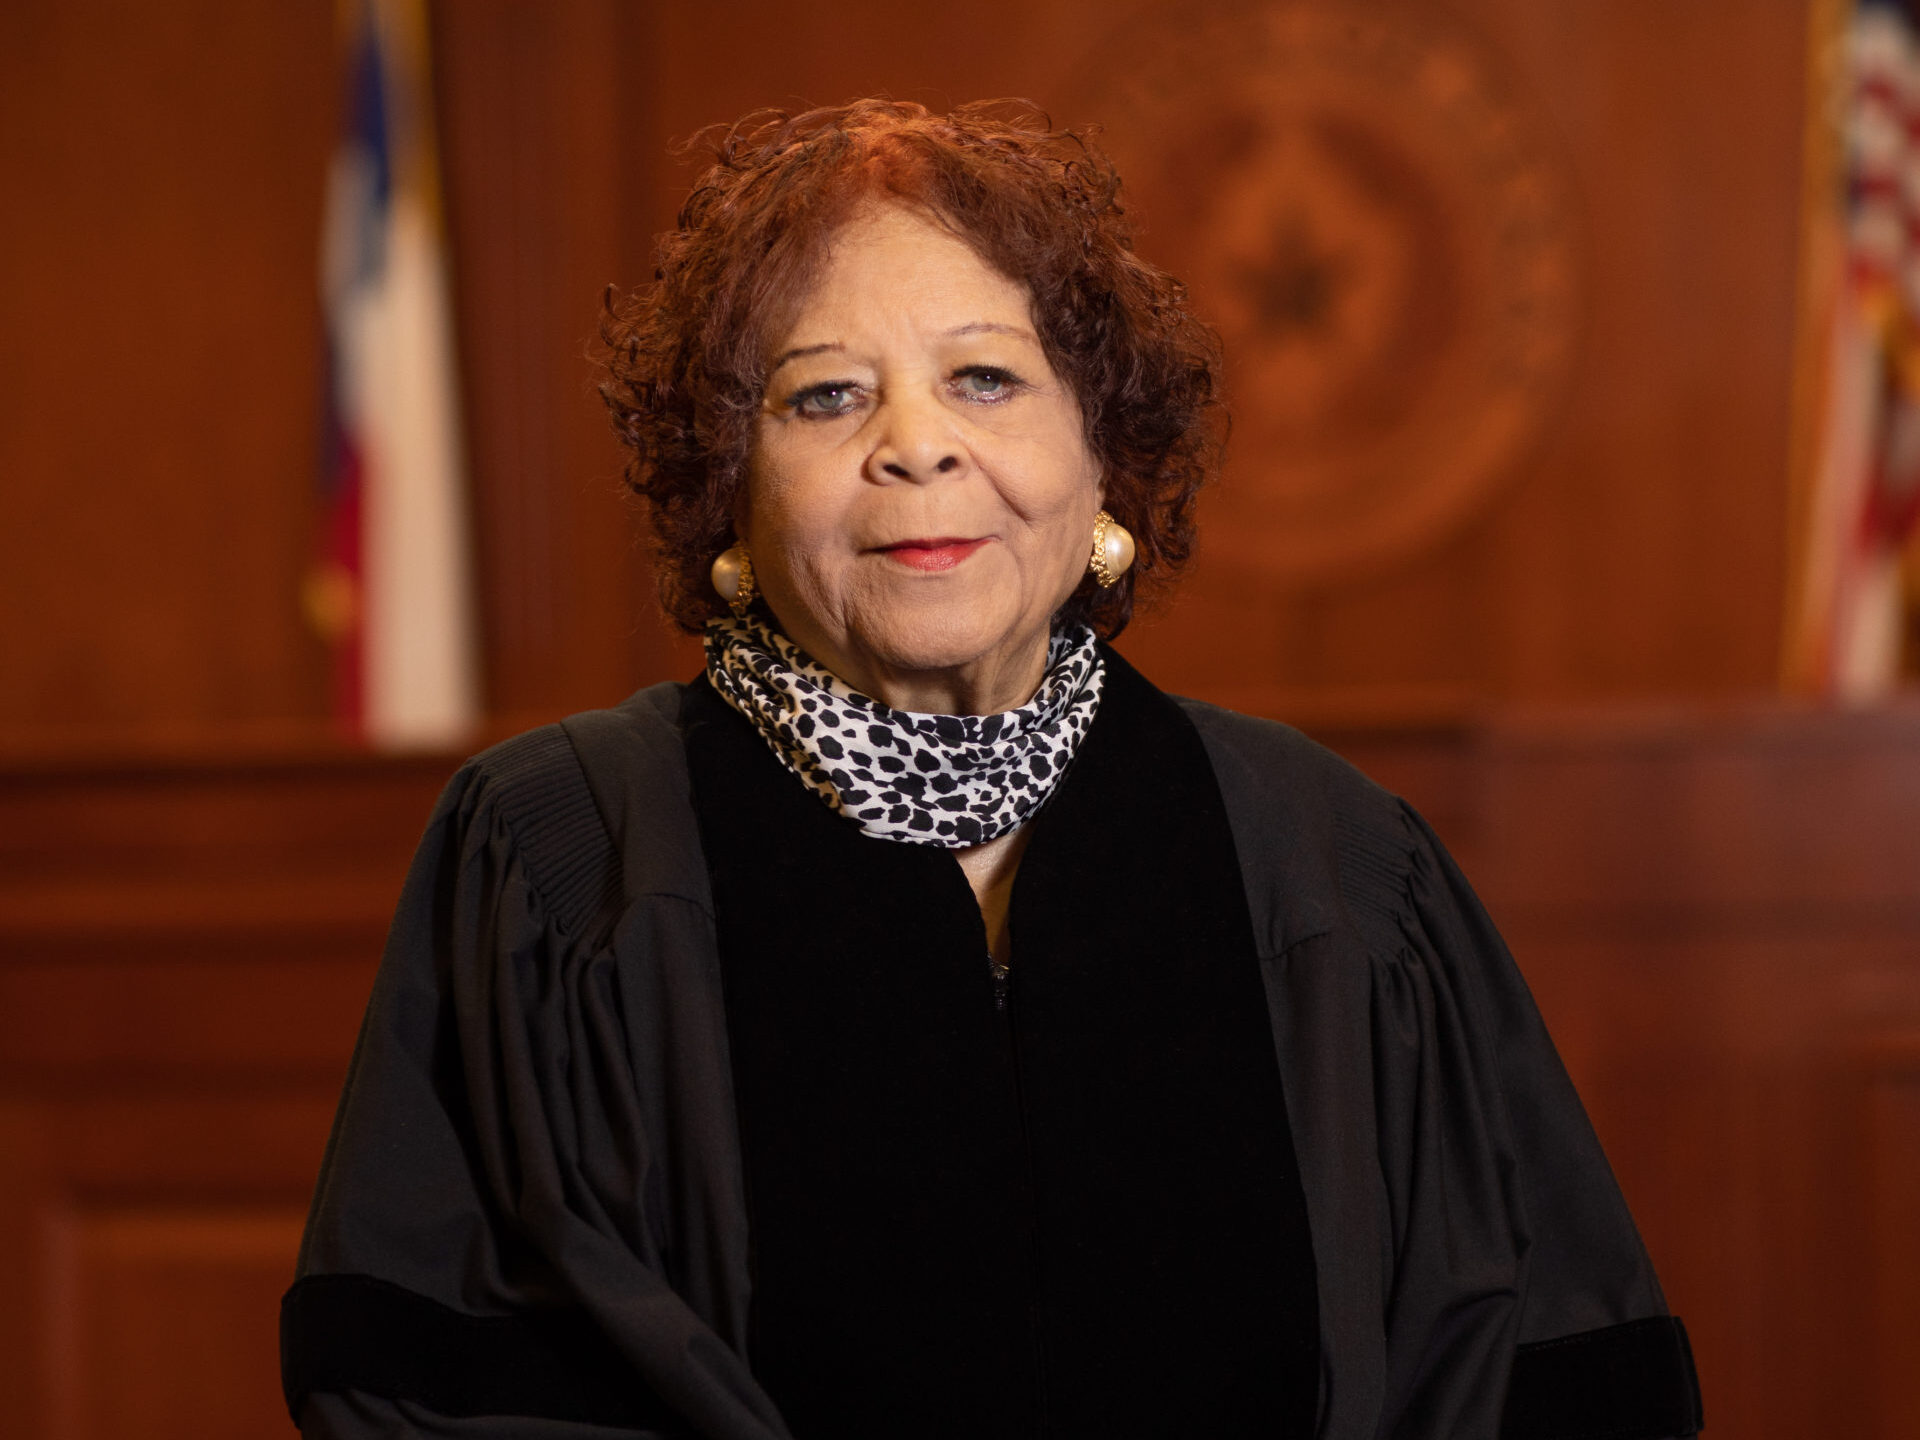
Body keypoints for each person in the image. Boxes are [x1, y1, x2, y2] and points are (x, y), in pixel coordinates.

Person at [281, 100, 1702, 1440]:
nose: (917, 447)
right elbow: (443, 1385)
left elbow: (1531, 1364)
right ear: (731, 488)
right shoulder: (564, 859)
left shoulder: (1330, 864)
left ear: (1100, 461)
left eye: (985, 378)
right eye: (826, 396)